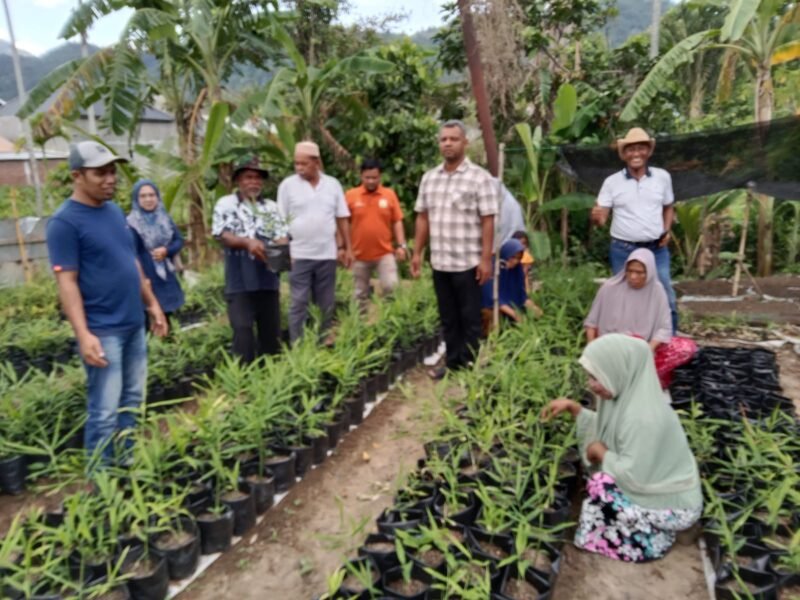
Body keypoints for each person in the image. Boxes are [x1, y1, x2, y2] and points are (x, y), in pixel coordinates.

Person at [46, 141, 168, 468]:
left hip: (132, 325)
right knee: (104, 410)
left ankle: (125, 465)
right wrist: (84, 334)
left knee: (132, 402)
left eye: (112, 171)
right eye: (100, 173)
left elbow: (132, 263)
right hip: (103, 331)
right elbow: (66, 282)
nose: (110, 178)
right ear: (77, 176)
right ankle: (101, 485)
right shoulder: (65, 223)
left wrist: (152, 305)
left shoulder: (115, 213)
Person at [541, 335, 703, 563]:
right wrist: (573, 408)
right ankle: (648, 527)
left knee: (600, 486)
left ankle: (653, 541)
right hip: (660, 491)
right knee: (601, 481)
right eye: (590, 376)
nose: (591, 384)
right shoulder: (629, 395)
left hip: (674, 506)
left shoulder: (643, 418)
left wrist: (601, 454)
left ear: (619, 370)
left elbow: (634, 474)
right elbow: (610, 428)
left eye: (596, 377)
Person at [411, 120, 499, 378]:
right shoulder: (430, 178)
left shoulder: (479, 178)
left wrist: (486, 259)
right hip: (440, 262)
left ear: (465, 143)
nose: (448, 143)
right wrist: (417, 252)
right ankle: (452, 363)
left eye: (453, 139)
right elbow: (422, 217)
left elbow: (488, 219)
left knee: (470, 318)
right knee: (448, 317)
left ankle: (469, 365)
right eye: (443, 139)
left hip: (468, 262)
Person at [590, 127, 678, 333]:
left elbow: (668, 206)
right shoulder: (612, 182)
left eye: (641, 148)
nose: (636, 154)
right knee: (623, 294)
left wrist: (666, 230)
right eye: (630, 150)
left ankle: (670, 343)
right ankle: (626, 339)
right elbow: (601, 215)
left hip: (656, 249)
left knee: (665, 292)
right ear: (624, 154)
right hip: (623, 249)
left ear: (648, 151)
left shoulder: (662, 177)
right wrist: (597, 218)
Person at [584, 248, 697, 388]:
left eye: (639, 272)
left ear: (649, 272)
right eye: (630, 271)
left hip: (641, 347)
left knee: (686, 348)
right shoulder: (609, 288)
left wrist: (649, 349)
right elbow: (591, 323)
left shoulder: (657, 291)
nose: (632, 276)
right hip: (612, 347)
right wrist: (591, 349)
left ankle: (639, 377)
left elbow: (664, 327)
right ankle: (627, 378)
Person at [212, 158, 289, 362]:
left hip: (267, 278)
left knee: (271, 334)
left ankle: (271, 379)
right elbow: (221, 234)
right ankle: (244, 380)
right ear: (238, 180)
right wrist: (247, 243)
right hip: (239, 280)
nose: (253, 182)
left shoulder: (271, 207)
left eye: (257, 178)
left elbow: (281, 235)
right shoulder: (226, 204)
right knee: (243, 331)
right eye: (248, 177)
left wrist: (281, 250)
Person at [278, 141, 353, 343]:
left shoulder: (332, 184)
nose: (299, 168)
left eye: (304, 164)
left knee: (326, 304)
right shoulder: (288, 186)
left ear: (317, 162)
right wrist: (286, 253)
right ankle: (298, 347)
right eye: (296, 164)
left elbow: (342, 218)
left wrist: (346, 248)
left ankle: (320, 343)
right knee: (299, 303)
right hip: (298, 255)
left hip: (326, 255)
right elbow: (280, 221)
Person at [345, 159, 407, 308]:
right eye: (367, 177)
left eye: (374, 177)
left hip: (384, 253)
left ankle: (390, 323)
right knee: (359, 294)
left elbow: (397, 221)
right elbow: (344, 223)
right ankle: (360, 326)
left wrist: (401, 245)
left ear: (380, 177)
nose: (371, 181)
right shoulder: (351, 195)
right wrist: (345, 248)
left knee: (391, 287)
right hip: (358, 255)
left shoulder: (389, 195)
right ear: (361, 176)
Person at [128, 179, 185, 325]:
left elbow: (178, 240)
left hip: (167, 277)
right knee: (151, 321)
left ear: (157, 197)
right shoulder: (131, 224)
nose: (148, 199)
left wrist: (167, 250)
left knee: (170, 320)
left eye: (152, 195)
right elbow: (132, 253)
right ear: (136, 199)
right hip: (146, 279)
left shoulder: (164, 218)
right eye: (143, 196)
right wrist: (143, 279)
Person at [480, 238, 541, 334]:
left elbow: (521, 295)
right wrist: (515, 314)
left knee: (533, 313)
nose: (515, 261)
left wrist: (534, 308)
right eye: (512, 257)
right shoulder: (493, 267)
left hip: (508, 305)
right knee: (490, 314)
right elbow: (491, 297)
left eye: (518, 258)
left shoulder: (517, 270)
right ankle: (490, 341)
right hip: (491, 306)